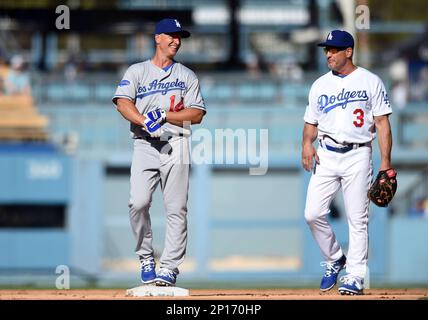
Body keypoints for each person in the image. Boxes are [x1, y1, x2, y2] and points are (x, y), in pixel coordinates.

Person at [112, 18, 206, 286]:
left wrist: (165, 115)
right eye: (171, 36)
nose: (176, 40)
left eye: (179, 37)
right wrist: (144, 120)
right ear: (157, 38)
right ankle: (145, 256)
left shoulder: (186, 75)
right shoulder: (137, 71)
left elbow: (197, 114)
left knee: (176, 208)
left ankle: (169, 267)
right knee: (138, 202)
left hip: (175, 143)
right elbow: (122, 102)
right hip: (145, 143)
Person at [302, 30, 393, 295]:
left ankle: (354, 276)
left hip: (358, 153)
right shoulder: (320, 84)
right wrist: (306, 144)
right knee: (312, 213)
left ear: (348, 51)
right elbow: (311, 122)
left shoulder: (370, 81)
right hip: (326, 153)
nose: (328, 54)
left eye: (333, 49)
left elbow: (382, 123)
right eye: (326, 50)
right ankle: (334, 258)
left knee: (358, 219)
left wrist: (386, 162)